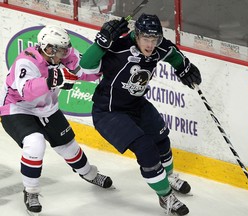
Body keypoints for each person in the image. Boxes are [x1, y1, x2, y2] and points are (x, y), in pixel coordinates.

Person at [80, 14, 202, 216]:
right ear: (136, 35)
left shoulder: (159, 47)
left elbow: (172, 53)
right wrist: (102, 42)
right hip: (108, 111)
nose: (151, 45)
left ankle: (167, 176)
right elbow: (85, 65)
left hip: (136, 105)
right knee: (145, 147)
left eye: (154, 40)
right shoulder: (118, 48)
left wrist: (184, 68)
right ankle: (165, 196)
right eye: (146, 39)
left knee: (161, 139)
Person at [0, 25, 113, 215]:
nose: (65, 52)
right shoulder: (26, 61)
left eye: (65, 47)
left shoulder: (66, 55)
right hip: (16, 108)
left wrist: (105, 56)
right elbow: (26, 92)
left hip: (47, 108)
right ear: (48, 48)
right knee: (35, 143)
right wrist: (49, 81)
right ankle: (31, 191)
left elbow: (86, 72)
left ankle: (89, 174)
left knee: (69, 147)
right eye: (60, 49)